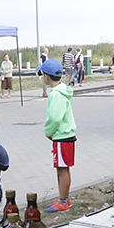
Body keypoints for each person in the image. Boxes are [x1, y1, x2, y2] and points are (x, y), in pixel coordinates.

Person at [41, 59, 75, 213]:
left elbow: (55, 118)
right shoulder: (63, 90)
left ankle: (63, 201)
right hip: (67, 135)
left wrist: (48, 132)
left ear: (47, 76)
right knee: (63, 168)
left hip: (61, 136)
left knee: (62, 170)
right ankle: (64, 198)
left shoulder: (55, 94)